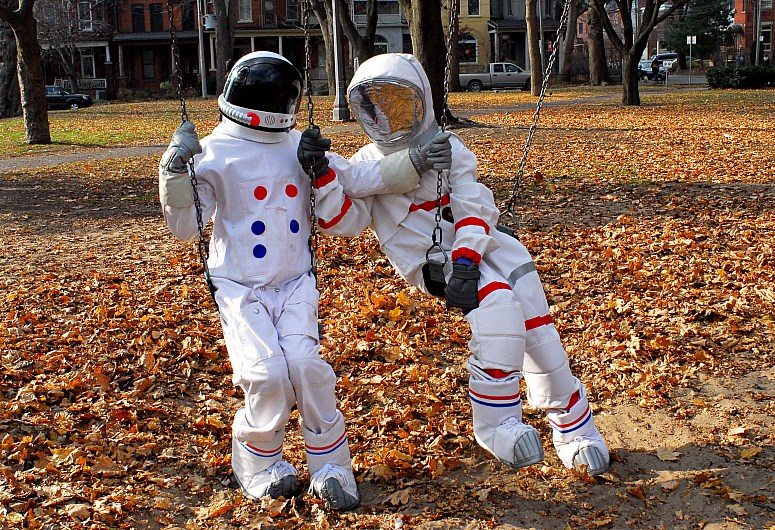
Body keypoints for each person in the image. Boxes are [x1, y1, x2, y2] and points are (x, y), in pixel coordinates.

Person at [158, 51, 452, 510]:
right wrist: (175, 171)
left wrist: (412, 160)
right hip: (240, 285)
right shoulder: (214, 153)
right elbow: (184, 228)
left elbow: (359, 175)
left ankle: (331, 465)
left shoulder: (299, 147)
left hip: (294, 281)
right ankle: (258, 462)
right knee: (267, 373)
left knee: (309, 370)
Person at [297, 53, 610, 475]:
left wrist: (467, 259)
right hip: (429, 261)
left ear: (421, 100)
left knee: (536, 322)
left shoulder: (450, 148)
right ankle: (497, 424)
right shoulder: (364, 165)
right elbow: (344, 221)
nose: (389, 116)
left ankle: (573, 427)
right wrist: (322, 175)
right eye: (376, 106)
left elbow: (471, 206)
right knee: (498, 308)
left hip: (483, 249)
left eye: (399, 103)